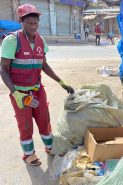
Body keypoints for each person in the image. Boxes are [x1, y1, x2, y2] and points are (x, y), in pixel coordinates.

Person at [0, 4, 74, 166]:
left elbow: (44, 65)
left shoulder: (40, 40)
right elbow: (3, 69)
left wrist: (61, 81)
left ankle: (49, 147)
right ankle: (29, 154)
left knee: (44, 119)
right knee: (25, 123)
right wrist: (15, 93)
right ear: (22, 22)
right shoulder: (12, 40)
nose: (33, 26)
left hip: (37, 90)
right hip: (20, 92)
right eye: (30, 23)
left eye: (35, 23)